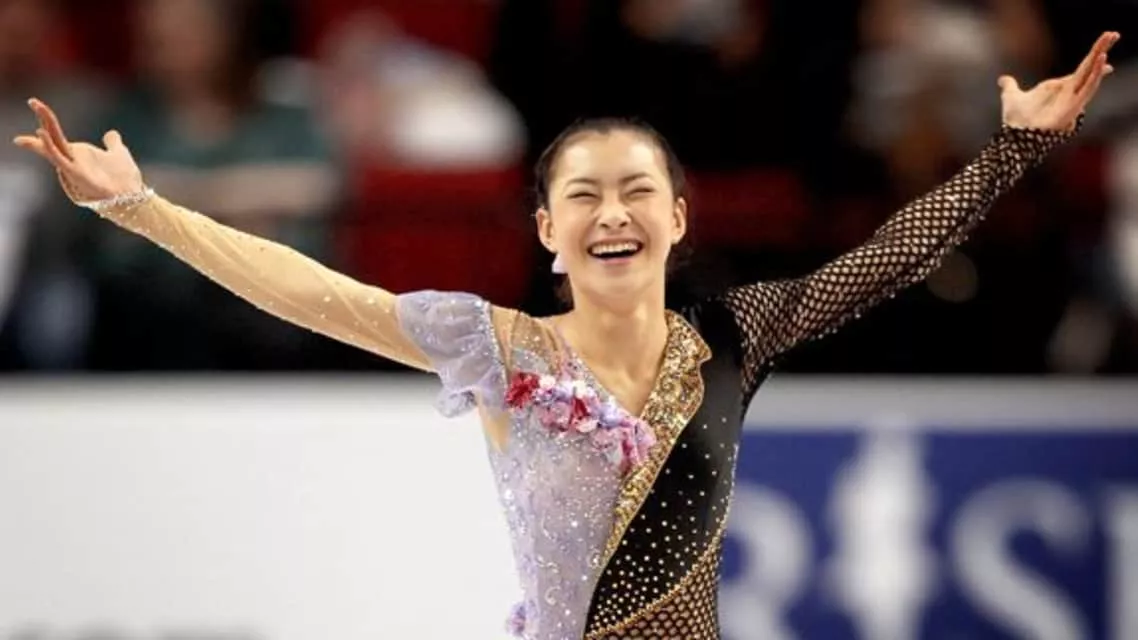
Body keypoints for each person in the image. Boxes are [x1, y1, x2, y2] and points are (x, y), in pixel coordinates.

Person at [14, 31, 1119, 640]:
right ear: (547, 230)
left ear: (678, 217)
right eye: (582, 195)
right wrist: (142, 209)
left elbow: (888, 258)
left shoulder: (733, 335)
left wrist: (1013, 151)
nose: (611, 213)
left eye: (636, 190)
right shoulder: (500, 347)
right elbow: (315, 293)